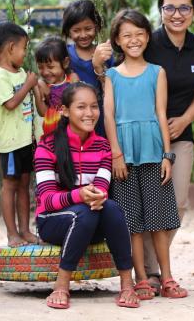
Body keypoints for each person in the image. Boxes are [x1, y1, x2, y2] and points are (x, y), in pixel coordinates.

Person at [104, 9, 187, 299]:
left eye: (139, 33)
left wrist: (167, 155)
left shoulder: (156, 72)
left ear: (148, 36)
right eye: (126, 35)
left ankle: (167, 278)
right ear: (117, 40)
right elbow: (109, 116)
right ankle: (141, 278)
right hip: (124, 156)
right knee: (132, 223)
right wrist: (116, 154)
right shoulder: (111, 75)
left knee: (158, 220)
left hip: (152, 151)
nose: (134, 39)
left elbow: (161, 114)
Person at [35, 82, 139, 309]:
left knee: (110, 207)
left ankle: (127, 285)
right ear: (64, 110)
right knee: (83, 212)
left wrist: (95, 196)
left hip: (90, 219)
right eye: (81, 107)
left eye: (94, 107)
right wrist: (78, 196)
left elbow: (101, 188)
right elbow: (47, 200)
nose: (89, 113)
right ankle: (61, 285)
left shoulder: (103, 146)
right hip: (52, 221)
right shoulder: (47, 146)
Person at [141, 0, 194, 293]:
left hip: (181, 134)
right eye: (169, 7)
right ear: (161, 11)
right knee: (149, 204)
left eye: (184, 7)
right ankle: (151, 272)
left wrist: (184, 121)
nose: (176, 14)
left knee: (177, 204)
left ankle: (154, 266)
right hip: (145, 137)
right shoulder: (148, 43)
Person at [0, 21, 38, 247]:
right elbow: (10, 104)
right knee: (10, 184)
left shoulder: (20, 74)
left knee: (24, 184)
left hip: (26, 140)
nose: (25, 53)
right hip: (10, 144)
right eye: (24, 48)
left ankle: (25, 230)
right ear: (10, 48)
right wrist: (28, 85)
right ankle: (11, 233)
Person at [61, 0, 113, 136]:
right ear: (68, 31)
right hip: (74, 122)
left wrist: (98, 66)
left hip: (102, 119)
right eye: (76, 30)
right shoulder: (65, 55)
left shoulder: (105, 54)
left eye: (88, 29)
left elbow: (113, 90)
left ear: (96, 26)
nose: (83, 35)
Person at [33, 36, 79, 135]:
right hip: (53, 133)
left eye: (50, 67)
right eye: (40, 67)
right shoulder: (42, 85)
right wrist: (36, 88)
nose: (45, 72)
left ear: (65, 63)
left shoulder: (72, 79)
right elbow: (43, 113)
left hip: (73, 130)